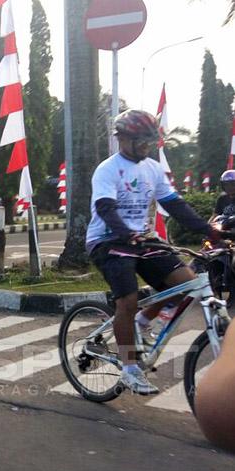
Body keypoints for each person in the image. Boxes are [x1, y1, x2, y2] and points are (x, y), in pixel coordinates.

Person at [86, 110, 218, 395]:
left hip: (141, 239)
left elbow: (174, 204)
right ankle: (130, 370)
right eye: (140, 141)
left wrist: (209, 231)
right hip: (108, 241)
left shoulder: (152, 168)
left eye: (149, 141)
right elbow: (105, 208)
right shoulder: (108, 169)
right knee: (128, 299)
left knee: (185, 284)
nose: (146, 146)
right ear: (123, 139)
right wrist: (126, 233)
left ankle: (141, 322)